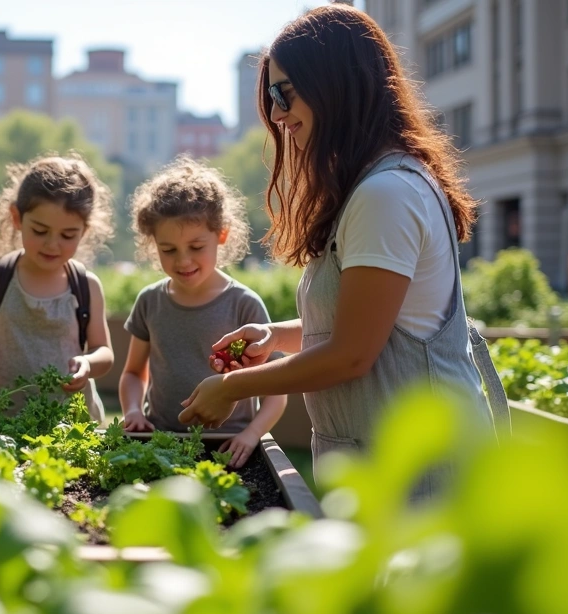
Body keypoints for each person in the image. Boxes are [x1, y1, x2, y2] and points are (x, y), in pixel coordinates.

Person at [177, 5, 508, 496]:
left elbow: (353, 354)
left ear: (334, 82)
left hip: (428, 471)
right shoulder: (371, 188)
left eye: (283, 92)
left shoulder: (387, 194)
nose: (276, 113)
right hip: (387, 463)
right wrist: (276, 336)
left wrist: (232, 389)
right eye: (271, 96)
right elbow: (368, 324)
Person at [118, 157, 287, 468]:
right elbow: (132, 373)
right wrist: (133, 412)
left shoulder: (244, 305)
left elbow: (276, 393)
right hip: (161, 441)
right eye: (168, 250)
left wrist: (251, 435)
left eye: (196, 247)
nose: (183, 261)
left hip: (228, 447)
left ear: (221, 235)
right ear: (153, 243)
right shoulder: (149, 302)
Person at [0, 154, 115, 422]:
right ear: (17, 217)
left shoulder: (86, 286)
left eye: (67, 235)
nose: (52, 244)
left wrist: (87, 363)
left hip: (70, 429)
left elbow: (104, 353)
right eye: (40, 231)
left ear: (84, 230)